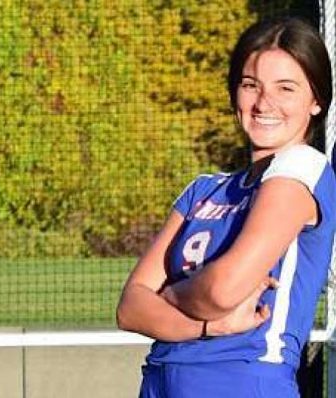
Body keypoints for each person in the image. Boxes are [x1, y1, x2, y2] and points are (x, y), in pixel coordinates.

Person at [117, 17, 335, 398]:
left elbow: (222, 289)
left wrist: (168, 294)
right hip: (160, 381)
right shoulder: (204, 189)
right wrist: (206, 327)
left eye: (286, 88)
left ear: (316, 101)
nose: (264, 103)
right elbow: (130, 307)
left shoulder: (303, 167)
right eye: (251, 85)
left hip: (242, 381)